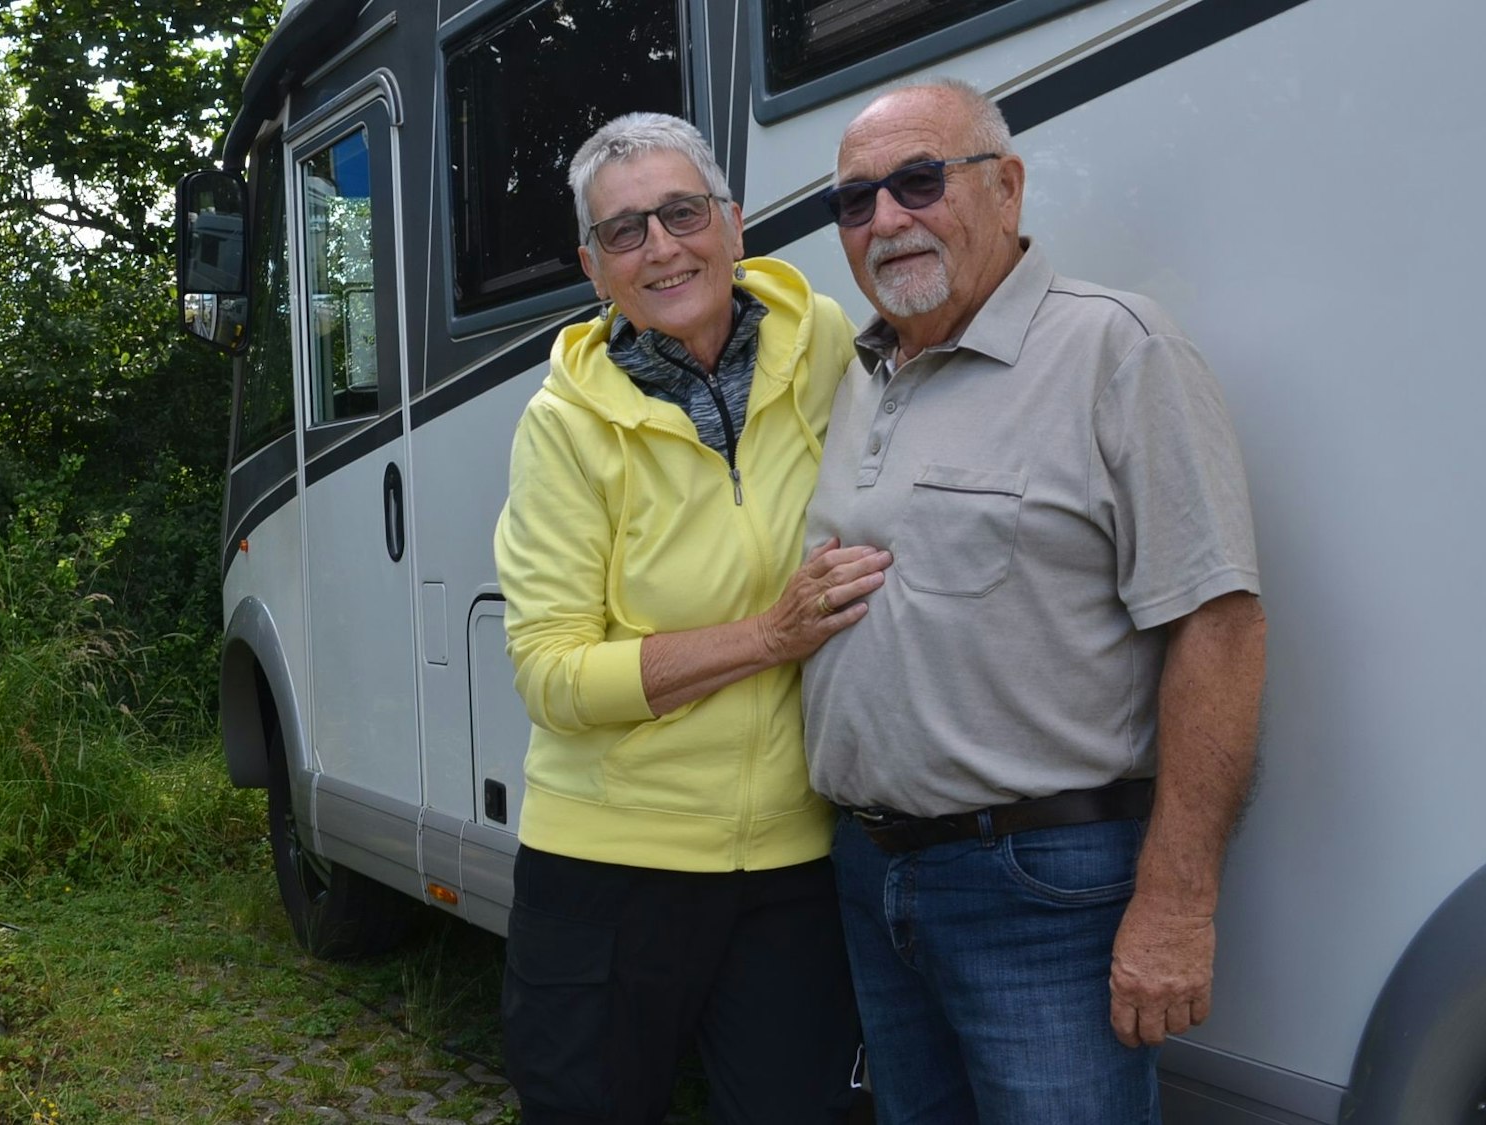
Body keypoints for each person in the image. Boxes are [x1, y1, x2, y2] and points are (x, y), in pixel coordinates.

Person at [799, 78, 1269, 1123]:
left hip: (1044, 887)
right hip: (871, 873)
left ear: (1004, 188)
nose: (885, 220)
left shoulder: (1113, 347)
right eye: (854, 200)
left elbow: (1217, 626)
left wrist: (1177, 902)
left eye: (918, 182)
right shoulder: (854, 374)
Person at [494, 111, 890, 1124]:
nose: (661, 247)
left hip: (795, 863)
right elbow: (550, 675)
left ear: (734, 222)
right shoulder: (561, 426)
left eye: (681, 213)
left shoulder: (827, 349)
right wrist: (767, 638)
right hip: (607, 870)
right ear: (594, 268)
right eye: (625, 232)